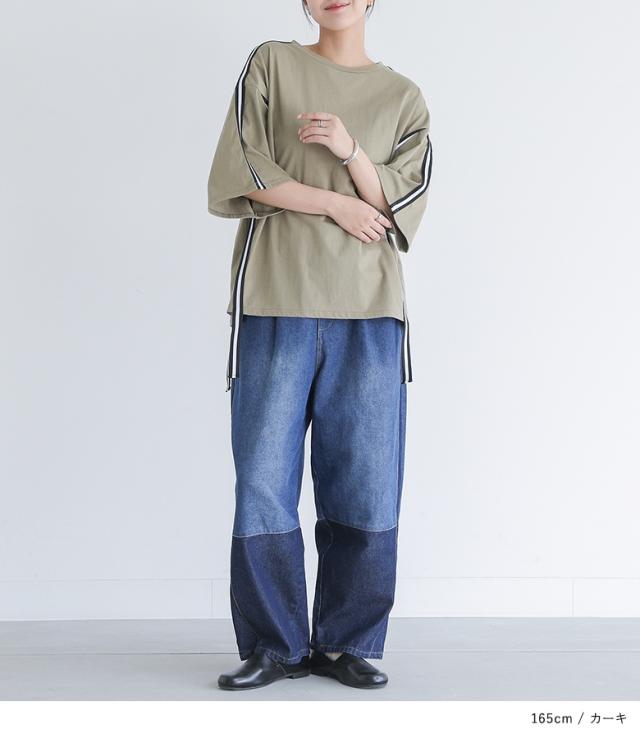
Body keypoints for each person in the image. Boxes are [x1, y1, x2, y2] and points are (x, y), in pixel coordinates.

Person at [206, 0, 433, 691]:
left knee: (366, 479)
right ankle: (275, 646)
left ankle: (345, 643)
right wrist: (335, 202)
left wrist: (350, 151)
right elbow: (242, 165)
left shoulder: (403, 97)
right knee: (263, 479)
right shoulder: (271, 64)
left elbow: (402, 204)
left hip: (368, 308)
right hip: (275, 295)